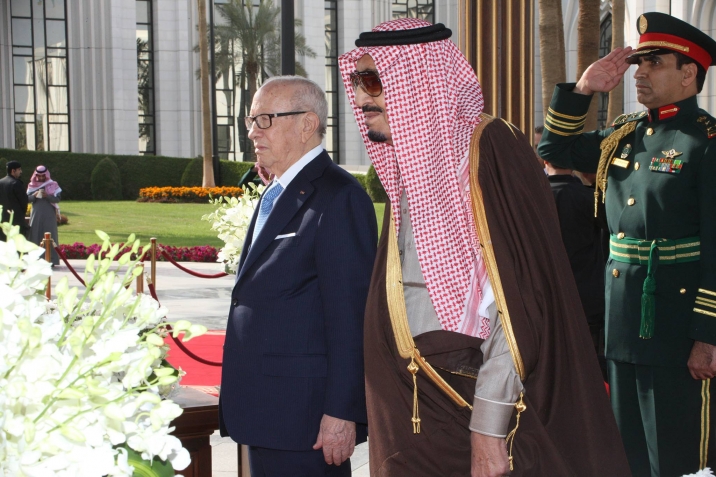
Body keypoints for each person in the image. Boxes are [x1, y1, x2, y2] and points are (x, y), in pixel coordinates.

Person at [339, 18, 630, 477]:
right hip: (412, 406)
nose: (360, 98)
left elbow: (519, 300)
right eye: (356, 81)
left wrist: (489, 426)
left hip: (467, 401)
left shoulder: (488, 148)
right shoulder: (408, 162)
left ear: (417, 79)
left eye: (373, 81)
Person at [538, 12, 716, 476]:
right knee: (627, 455)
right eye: (638, 63)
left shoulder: (706, 143)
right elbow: (553, 150)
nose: (639, 73)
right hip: (622, 322)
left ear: (688, 73)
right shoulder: (625, 133)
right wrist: (583, 90)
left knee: (678, 458)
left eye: (654, 63)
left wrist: (708, 335)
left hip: (678, 330)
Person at [218, 76, 377, 476]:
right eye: (251, 120)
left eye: (265, 119)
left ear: (307, 124)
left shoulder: (339, 197)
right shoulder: (277, 190)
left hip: (306, 421)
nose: (253, 132)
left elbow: (352, 318)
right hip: (267, 410)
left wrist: (342, 412)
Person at [543, 159, 607, 379]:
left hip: (545, 294)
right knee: (587, 366)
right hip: (585, 295)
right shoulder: (588, 197)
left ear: (545, 161)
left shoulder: (533, 195)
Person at [26, 165, 61, 266]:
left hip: (49, 214)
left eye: (43, 176)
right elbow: (27, 199)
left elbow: (57, 199)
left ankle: (51, 260)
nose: (41, 178)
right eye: (39, 176)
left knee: (50, 234)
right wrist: (34, 196)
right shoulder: (31, 185)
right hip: (36, 214)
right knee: (35, 233)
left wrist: (47, 196)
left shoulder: (53, 184)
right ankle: (35, 259)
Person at [0, 160, 29, 241]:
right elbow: (24, 202)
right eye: (19, 169)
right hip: (16, 221)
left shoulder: (1, 182)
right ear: (13, 171)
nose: (21, 172)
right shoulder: (16, 183)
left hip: (3, 221)